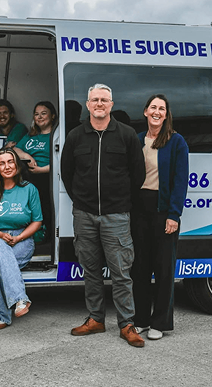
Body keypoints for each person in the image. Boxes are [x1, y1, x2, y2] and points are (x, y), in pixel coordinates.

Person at [60, 83, 146, 348]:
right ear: (88, 105)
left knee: (121, 272)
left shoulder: (127, 134)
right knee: (91, 270)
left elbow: (138, 174)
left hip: (116, 215)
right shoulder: (76, 135)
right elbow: (67, 172)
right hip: (84, 214)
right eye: (95, 99)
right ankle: (96, 319)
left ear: (111, 105)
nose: (99, 104)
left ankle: (127, 324)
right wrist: (81, 200)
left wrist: (120, 201)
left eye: (104, 100)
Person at [131, 94, 189, 340]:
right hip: (139, 210)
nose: (157, 112)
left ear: (166, 114)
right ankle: (141, 320)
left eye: (161, 109)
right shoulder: (136, 140)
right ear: (145, 111)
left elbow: (180, 181)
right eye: (153, 107)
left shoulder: (176, 142)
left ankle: (160, 323)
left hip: (164, 210)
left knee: (164, 269)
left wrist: (174, 215)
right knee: (139, 268)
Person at [0, 148, 42, 329]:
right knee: (0, 248)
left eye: (10, 162)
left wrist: (19, 237)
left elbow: (37, 221)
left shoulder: (29, 189)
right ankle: (20, 298)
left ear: (16, 165)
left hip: (23, 237)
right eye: (2, 163)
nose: (7, 166)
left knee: (0, 266)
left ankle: (1, 316)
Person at [14, 101, 57, 236]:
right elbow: (16, 149)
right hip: (29, 175)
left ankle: (45, 232)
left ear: (52, 116)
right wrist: (26, 155)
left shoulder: (57, 136)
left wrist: (42, 170)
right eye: (37, 114)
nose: (40, 117)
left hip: (49, 175)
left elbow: (62, 161)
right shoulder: (31, 135)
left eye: (44, 113)